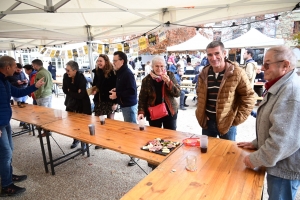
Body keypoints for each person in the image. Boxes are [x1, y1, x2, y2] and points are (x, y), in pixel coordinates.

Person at [237, 46, 300, 200]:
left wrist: (255, 159)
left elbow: (282, 141)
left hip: (284, 168)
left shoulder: (290, 91)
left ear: (285, 66)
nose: (262, 68)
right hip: (279, 164)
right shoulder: (282, 85)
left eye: (267, 64)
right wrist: (258, 142)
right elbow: (275, 124)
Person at [0, 56, 45, 197]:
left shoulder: (5, 80)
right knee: (5, 153)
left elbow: (18, 92)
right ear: (7, 67)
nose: (16, 69)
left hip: (5, 121)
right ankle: (6, 186)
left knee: (9, 150)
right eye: (14, 66)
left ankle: (8, 175)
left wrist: (34, 87)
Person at [195, 41, 255, 141]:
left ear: (224, 53)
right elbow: (199, 94)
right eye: (210, 54)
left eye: (217, 53)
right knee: (207, 153)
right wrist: (201, 114)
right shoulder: (204, 73)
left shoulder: (237, 72)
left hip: (227, 124)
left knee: (228, 154)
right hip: (207, 122)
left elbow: (249, 97)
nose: (213, 58)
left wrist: (235, 120)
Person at [109, 51, 138, 166]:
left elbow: (132, 91)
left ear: (122, 61)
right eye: (113, 60)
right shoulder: (120, 72)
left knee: (131, 132)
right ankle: (132, 152)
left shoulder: (127, 73)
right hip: (125, 105)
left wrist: (117, 94)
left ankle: (134, 156)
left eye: (115, 61)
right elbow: (124, 87)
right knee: (129, 130)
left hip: (129, 106)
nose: (113, 63)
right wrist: (117, 91)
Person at [137, 55, 180, 130]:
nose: (159, 68)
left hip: (170, 112)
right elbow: (142, 98)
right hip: (154, 113)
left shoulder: (170, 75)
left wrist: (168, 82)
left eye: (162, 66)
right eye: (157, 66)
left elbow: (177, 93)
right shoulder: (146, 80)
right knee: (155, 136)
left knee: (171, 136)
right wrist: (141, 112)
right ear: (152, 66)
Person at [63, 60, 91, 149]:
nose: (66, 72)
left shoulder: (81, 78)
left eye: (68, 70)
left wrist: (70, 91)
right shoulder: (65, 76)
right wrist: (75, 91)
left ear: (75, 70)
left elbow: (81, 95)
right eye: (66, 70)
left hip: (82, 104)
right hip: (70, 104)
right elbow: (64, 90)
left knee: (82, 124)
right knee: (72, 124)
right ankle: (75, 139)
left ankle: (84, 142)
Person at [92, 54, 117, 149]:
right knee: (98, 121)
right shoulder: (97, 72)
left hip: (109, 99)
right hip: (99, 99)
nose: (99, 63)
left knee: (110, 121)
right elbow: (95, 84)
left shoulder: (112, 72)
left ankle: (108, 140)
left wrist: (115, 102)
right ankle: (100, 140)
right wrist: (94, 90)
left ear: (106, 61)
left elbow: (116, 87)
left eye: (100, 61)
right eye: (98, 61)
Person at [31, 59, 53, 137]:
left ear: (36, 65)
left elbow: (40, 87)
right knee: (48, 114)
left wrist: (37, 96)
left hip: (43, 96)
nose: (33, 67)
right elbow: (51, 83)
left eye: (33, 65)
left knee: (43, 115)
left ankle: (46, 131)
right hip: (49, 94)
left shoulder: (40, 73)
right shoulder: (47, 72)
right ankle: (48, 129)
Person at [7, 63, 29, 129]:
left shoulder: (22, 73)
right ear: (15, 68)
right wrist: (16, 83)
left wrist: (26, 81)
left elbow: (26, 79)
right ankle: (23, 122)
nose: (19, 71)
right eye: (18, 70)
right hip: (16, 93)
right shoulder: (10, 74)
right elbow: (8, 84)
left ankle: (23, 121)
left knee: (25, 107)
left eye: (20, 70)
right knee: (19, 108)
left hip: (24, 91)